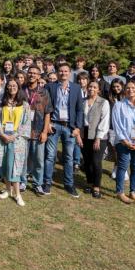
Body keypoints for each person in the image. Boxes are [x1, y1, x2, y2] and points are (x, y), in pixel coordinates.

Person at [44, 63, 84, 197]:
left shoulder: (76, 88)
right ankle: (47, 182)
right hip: (54, 125)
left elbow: (79, 109)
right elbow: (46, 106)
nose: (63, 73)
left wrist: (78, 127)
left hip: (69, 127)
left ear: (70, 72)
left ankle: (68, 184)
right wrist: (48, 123)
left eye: (66, 71)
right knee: (50, 156)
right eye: (61, 71)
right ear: (57, 72)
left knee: (69, 157)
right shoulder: (50, 86)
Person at [0, 78, 31, 206]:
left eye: (14, 85)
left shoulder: (24, 104)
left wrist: (14, 135)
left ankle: (18, 194)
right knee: (5, 163)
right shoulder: (2, 103)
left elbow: (26, 123)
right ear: (6, 88)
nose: (12, 87)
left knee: (15, 166)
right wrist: (2, 134)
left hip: (18, 140)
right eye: (9, 86)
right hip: (4, 138)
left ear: (18, 87)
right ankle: (7, 189)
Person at [23, 66, 52, 196]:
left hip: (38, 130)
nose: (32, 75)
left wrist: (45, 131)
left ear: (39, 76)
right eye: (30, 72)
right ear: (27, 74)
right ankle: (22, 181)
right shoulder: (21, 90)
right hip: (23, 131)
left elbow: (47, 113)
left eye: (35, 73)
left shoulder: (44, 92)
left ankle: (37, 183)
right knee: (23, 158)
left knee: (39, 159)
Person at [81, 81, 110, 199]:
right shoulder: (83, 101)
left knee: (96, 162)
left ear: (99, 90)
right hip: (85, 134)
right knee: (87, 161)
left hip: (99, 135)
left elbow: (104, 120)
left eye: (94, 87)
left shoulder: (104, 102)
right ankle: (89, 183)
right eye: (90, 87)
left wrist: (98, 138)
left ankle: (96, 186)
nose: (91, 89)